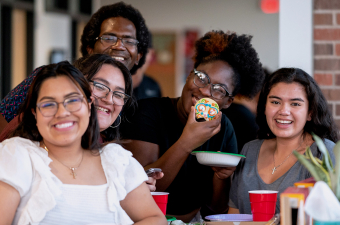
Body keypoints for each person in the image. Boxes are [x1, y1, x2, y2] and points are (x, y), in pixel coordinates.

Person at [0, 61, 167, 224]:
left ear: (89, 106)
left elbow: (155, 219)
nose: (62, 112)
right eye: (48, 104)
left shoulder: (116, 160)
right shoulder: (14, 156)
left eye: (73, 100)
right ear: (35, 113)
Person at [120, 30, 265, 222]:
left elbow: (216, 209)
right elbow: (140, 190)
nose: (204, 90)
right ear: (189, 76)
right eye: (201, 78)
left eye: (219, 90)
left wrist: (221, 177)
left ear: (228, 102)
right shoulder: (147, 113)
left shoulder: (224, 129)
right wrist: (187, 142)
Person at [0, 1, 151, 147]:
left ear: (138, 56)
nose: (119, 46)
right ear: (90, 48)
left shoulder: (133, 102)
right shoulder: (48, 79)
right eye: (109, 37)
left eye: (129, 41)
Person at [228, 68, 339, 214]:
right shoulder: (250, 150)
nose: (284, 111)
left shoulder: (323, 153)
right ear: (265, 107)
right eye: (275, 102)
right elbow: (233, 215)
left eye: (295, 104)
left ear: (310, 113)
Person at [132, 35, 162, 100]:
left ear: (151, 53)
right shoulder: (116, 83)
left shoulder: (153, 86)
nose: (140, 57)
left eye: (145, 52)